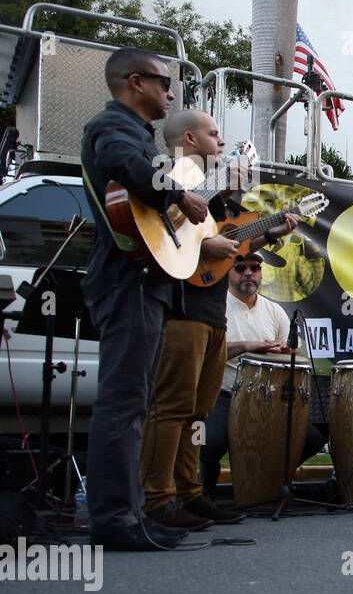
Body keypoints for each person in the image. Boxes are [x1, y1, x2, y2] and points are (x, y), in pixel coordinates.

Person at [139, 111, 296, 530]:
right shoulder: (166, 182)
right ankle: (157, 498)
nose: (223, 142)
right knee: (172, 407)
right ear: (189, 139)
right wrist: (206, 238)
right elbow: (167, 235)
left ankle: (190, 494)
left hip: (211, 311)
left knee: (197, 411)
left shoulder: (219, 199)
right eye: (214, 134)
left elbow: (233, 243)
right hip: (181, 307)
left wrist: (273, 232)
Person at [80, 48, 209, 550]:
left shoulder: (138, 134)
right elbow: (122, 164)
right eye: (164, 82)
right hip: (128, 280)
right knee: (123, 403)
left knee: (134, 403)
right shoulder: (114, 127)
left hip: (145, 281)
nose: (171, 93)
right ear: (136, 82)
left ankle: (130, 512)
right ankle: (115, 520)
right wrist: (178, 194)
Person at [200, 252, 324, 495]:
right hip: (222, 395)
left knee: (311, 438)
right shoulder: (216, 305)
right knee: (206, 441)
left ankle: (264, 480)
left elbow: (296, 357)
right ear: (228, 271)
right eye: (240, 268)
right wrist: (247, 346)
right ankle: (203, 495)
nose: (248, 273)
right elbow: (204, 353)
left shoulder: (274, 310)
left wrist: (286, 351)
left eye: (254, 268)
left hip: (267, 398)